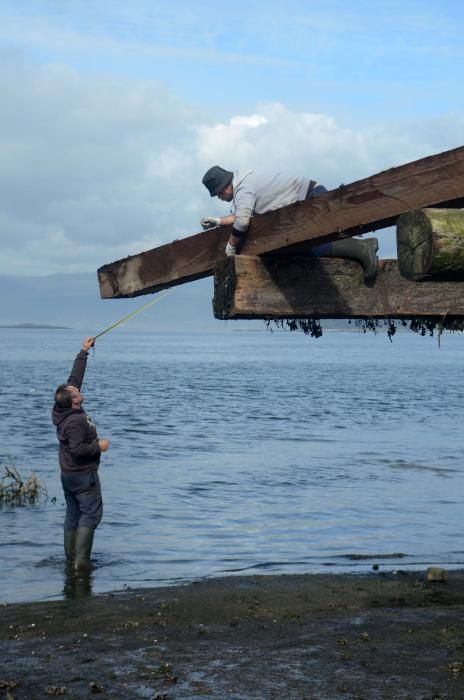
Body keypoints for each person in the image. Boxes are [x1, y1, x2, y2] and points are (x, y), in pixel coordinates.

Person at [201, 166, 379, 281]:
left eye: (218, 193)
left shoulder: (243, 188)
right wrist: (219, 221)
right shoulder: (243, 181)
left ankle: (363, 249)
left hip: (310, 198)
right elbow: (241, 213)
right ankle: (363, 249)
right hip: (304, 199)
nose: (219, 197)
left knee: (308, 246)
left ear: (224, 187)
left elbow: (242, 222)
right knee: (303, 247)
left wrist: (231, 246)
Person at [52, 337, 110, 571]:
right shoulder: (75, 421)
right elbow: (77, 450)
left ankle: (71, 562)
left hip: (68, 475)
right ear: (74, 401)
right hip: (82, 476)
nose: (77, 388)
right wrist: (99, 447)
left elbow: (74, 379)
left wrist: (83, 352)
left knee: (73, 515)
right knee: (90, 515)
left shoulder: (61, 408)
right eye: (75, 391)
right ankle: (81, 563)